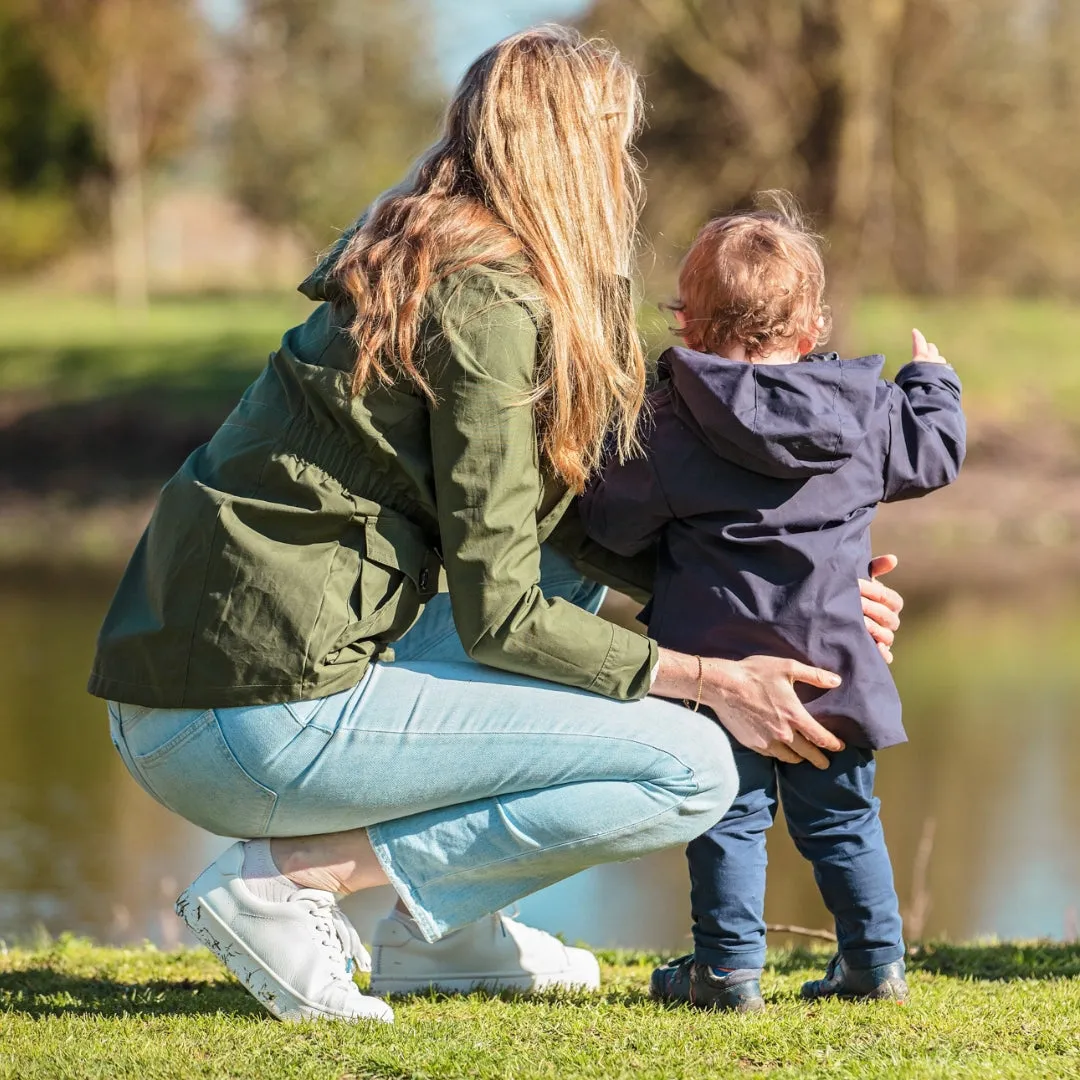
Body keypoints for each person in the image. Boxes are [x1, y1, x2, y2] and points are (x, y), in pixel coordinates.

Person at [88, 32, 904, 1025]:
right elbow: (501, 615)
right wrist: (715, 677)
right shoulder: (489, 306)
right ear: (572, 154)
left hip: (202, 695)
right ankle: (289, 883)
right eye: (616, 144)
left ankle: (438, 931)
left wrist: (790, 599)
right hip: (241, 721)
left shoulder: (438, 256)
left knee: (573, 604)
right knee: (688, 768)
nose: (627, 171)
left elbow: (553, 535)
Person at [580, 196, 964, 1011]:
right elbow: (935, 454)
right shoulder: (868, 411)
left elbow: (608, 516)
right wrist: (930, 378)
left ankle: (726, 972)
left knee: (728, 818)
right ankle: (874, 964)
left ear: (686, 323)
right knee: (845, 822)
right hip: (835, 666)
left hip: (716, 666)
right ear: (812, 325)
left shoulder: (672, 426)